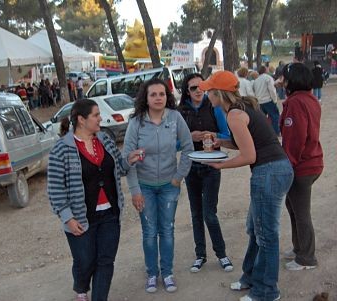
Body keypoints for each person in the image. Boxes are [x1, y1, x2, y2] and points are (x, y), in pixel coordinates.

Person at [198, 71, 294, 301]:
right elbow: (249, 142)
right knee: (255, 229)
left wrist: (221, 164)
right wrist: (222, 142)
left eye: (209, 91)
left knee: (266, 235)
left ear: (219, 93)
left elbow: (249, 155)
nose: (206, 94)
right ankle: (249, 278)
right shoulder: (242, 107)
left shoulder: (234, 115)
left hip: (268, 173)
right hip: (277, 169)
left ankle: (267, 291)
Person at [47, 99, 141, 301]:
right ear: (81, 120)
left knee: (106, 261)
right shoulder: (61, 149)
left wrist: (129, 159)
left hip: (109, 213)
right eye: (96, 115)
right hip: (80, 217)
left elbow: (120, 168)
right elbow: (55, 189)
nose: (100, 119)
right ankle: (81, 288)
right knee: (85, 261)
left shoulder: (105, 140)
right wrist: (68, 218)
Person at [122, 78, 193, 294]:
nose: (158, 98)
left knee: (168, 230)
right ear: (146, 97)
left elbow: (188, 147)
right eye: (153, 94)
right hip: (144, 187)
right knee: (149, 232)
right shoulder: (136, 123)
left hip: (169, 186)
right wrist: (135, 191)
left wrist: (178, 177)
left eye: (162, 94)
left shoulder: (175, 117)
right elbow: (127, 158)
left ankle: (168, 272)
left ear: (167, 96)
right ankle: (152, 273)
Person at [177, 73, 233, 274]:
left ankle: (221, 254)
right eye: (193, 88)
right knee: (195, 213)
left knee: (209, 213)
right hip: (191, 167)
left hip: (212, 166)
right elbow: (175, 143)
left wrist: (213, 136)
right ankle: (200, 255)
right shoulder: (181, 112)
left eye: (201, 86)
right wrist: (188, 137)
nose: (198, 90)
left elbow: (227, 134)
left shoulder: (214, 107)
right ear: (187, 92)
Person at [280, 63, 323, 271]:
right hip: (311, 162)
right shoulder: (310, 98)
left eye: (284, 79)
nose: (282, 82)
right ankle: (299, 248)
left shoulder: (296, 103)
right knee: (293, 208)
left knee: (301, 212)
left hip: (301, 166)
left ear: (292, 81)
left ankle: (307, 257)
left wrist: (287, 165)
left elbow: (296, 138)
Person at [253, 65, 280, 136]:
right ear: (265, 70)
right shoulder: (268, 78)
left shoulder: (256, 80)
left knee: (262, 119)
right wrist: (274, 99)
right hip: (268, 100)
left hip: (260, 101)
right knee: (274, 116)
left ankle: (263, 132)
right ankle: (275, 132)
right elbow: (272, 89)